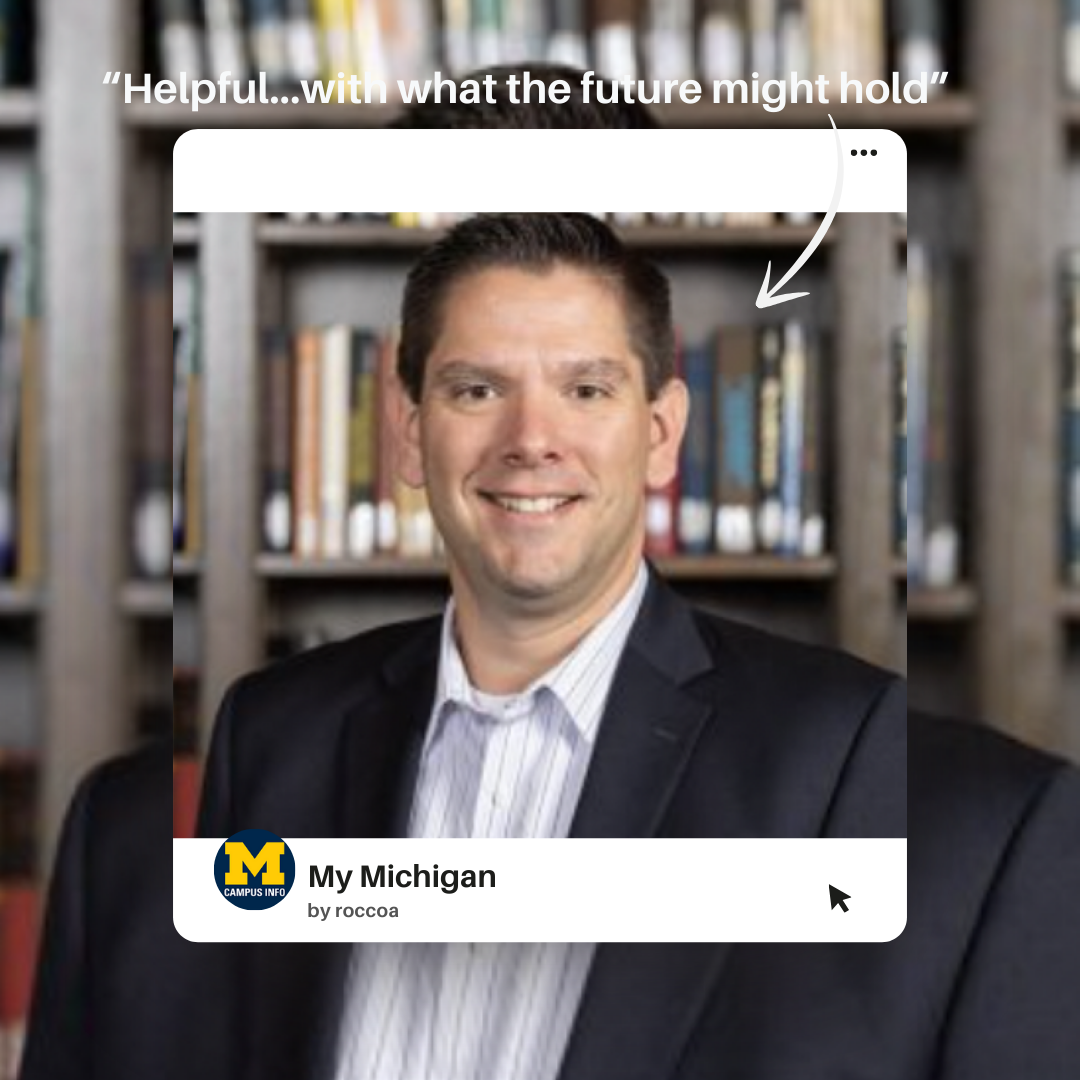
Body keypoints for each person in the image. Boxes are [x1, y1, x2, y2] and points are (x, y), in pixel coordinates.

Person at [19, 66, 1080, 1080]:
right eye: (478, 389)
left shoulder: (954, 825)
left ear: (662, 434)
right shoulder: (253, 761)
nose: (533, 440)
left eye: (585, 390)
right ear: (408, 431)